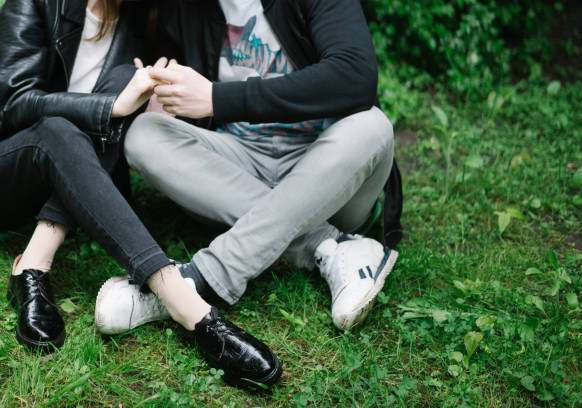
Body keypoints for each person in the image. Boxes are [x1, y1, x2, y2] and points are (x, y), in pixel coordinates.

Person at [0, 0, 281, 388]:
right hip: (13, 170)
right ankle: (189, 308)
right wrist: (111, 107)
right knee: (62, 128)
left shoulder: (142, 16)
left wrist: (161, 97)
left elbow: (182, 100)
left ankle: (32, 263)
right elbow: (12, 104)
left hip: (76, 179)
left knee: (127, 75)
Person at [95, 0, 403, 332]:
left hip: (325, 170)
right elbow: (165, 76)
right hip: (240, 166)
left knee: (373, 126)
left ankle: (195, 282)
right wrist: (162, 98)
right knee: (144, 135)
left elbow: (355, 75)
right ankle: (331, 245)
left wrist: (218, 98)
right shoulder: (186, 8)